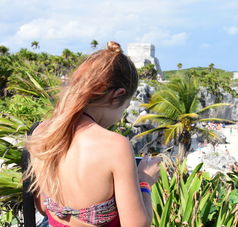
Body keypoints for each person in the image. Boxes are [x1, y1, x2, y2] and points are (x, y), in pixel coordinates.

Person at [25, 41, 161, 227]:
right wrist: (144, 181)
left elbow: (43, 206)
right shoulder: (115, 145)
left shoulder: (42, 132)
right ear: (117, 95)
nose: (121, 116)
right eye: (125, 106)